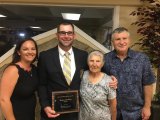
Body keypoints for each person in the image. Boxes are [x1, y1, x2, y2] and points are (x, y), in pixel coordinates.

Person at [37, 21, 117, 120]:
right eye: (62, 33)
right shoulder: (45, 56)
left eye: (69, 33)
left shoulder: (83, 55)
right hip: (53, 113)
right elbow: (41, 84)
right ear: (57, 35)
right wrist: (45, 106)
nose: (66, 36)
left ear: (74, 35)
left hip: (76, 114)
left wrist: (111, 77)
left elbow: (96, 67)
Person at [103, 27, 155, 120]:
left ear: (129, 40)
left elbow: (148, 84)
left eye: (124, 38)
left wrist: (147, 107)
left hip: (136, 112)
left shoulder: (142, 59)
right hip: (113, 112)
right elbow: (99, 81)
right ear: (112, 42)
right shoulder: (105, 59)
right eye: (118, 39)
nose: (121, 42)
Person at [0, 38, 39, 120]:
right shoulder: (13, 70)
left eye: (33, 49)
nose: (30, 52)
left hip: (29, 116)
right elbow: (3, 99)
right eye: (25, 49)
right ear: (18, 52)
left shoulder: (34, 69)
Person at [79, 50, 117, 120]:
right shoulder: (82, 75)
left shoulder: (109, 81)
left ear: (102, 64)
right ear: (88, 62)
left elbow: (113, 107)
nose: (94, 64)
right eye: (91, 61)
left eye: (98, 61)